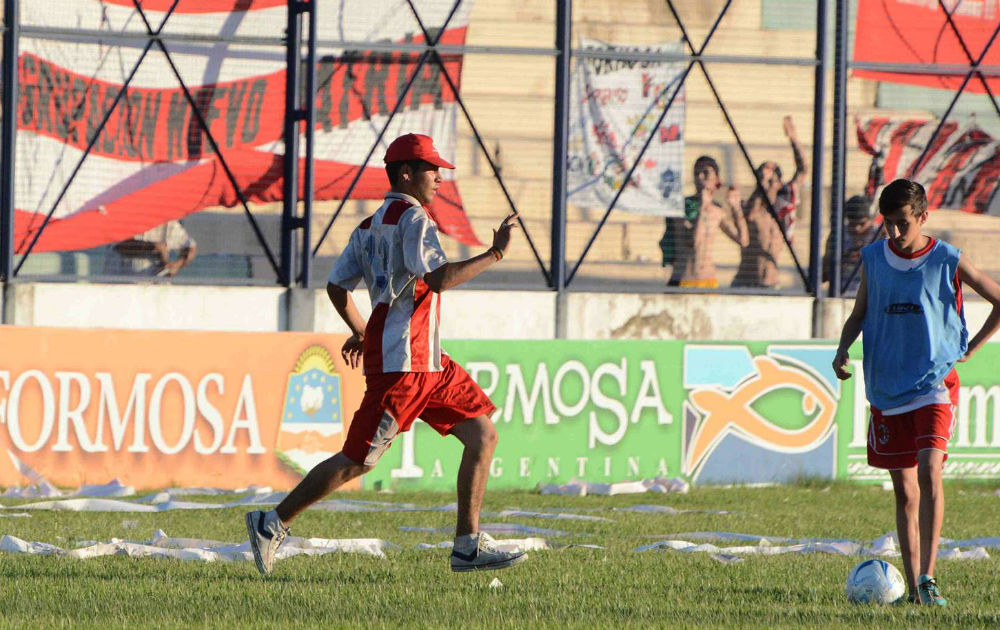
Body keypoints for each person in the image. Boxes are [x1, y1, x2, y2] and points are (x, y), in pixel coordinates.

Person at [245, 133, 527, 575]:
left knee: (482, 434)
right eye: (432, 169)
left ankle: (467, 546)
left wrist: (364, 330)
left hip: (427, 360)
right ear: (406, 173)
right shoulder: (415, 219)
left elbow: (338, 285)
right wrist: (494, 253)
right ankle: (271, 523)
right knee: (357, 460)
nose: (439, 177)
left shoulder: (370, 224)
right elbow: (437, 279)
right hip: (405, 363)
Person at [832, 179, 1000, 606]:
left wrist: (970, 349)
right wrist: (841, 349)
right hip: (887, 386)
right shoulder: (874, 258)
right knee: (905, 492)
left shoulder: (946, 258)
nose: (892, 233)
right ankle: (913, 591)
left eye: (901, 223)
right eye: (886, 224)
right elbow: (860, 313)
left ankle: (927, 578)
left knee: (929, 473)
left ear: (923, 217)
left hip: (934, 385)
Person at [731, 115, 808, 289]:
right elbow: (750, 216)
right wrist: (762, 185)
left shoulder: (784, 207)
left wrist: (794, 139)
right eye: (763, 181)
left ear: (779, 183)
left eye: (772, 181)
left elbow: (803, 171)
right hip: (746, 282)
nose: (768, 186)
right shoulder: (750, 206)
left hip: (771, 282)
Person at [659, 155, 748, 288]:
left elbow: (743, 240)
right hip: (684, 278)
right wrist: (702, 208)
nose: (700, 177)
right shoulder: (683, 207)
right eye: (696, 173)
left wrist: (736, 208)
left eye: (705, 173)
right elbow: (694, 242)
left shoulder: (717, 210)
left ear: (716, 179)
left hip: (707, 279)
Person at [822, 195, 883, 294]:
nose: (856, 228)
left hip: (872, 295)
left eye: (862, 224)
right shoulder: (837, 236)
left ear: (870, 219)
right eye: (852, 224)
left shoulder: (880, 235)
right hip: (841, 294)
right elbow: (822, 276)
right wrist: (841, 261)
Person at [103, 219, 197, 278]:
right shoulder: (126, 215)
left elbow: (190, 247)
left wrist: (176, 265)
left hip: (154, 290)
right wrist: (154, 247)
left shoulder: (168, 223)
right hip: (120, 287)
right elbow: (118, 246)